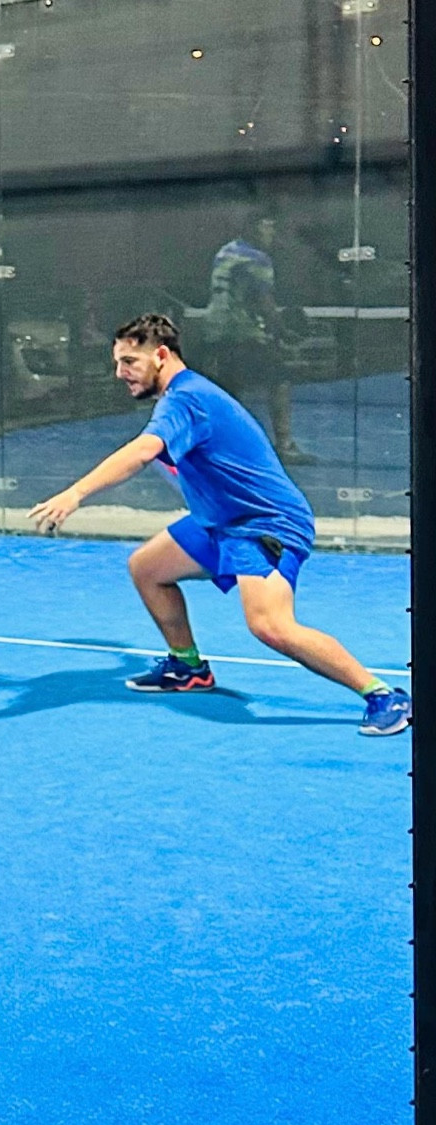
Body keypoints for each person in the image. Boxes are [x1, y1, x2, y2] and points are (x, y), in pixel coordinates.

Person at [27, 313, 411, 737]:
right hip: (221, 521)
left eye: (129, 362)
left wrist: (75, 494)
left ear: (161, 355)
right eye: (118, 362)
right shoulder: (184, 398)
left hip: (265, 524)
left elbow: (142, 451)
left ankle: (383, 695)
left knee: (271, 626)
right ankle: (187, 668)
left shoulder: (186, 399)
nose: (120, 373)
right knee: (147, 568)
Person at [199, 215, 314, 467]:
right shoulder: (258, 259)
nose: (270, 233)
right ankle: (284, 446)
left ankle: (224, 450)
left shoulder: (224, 252)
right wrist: (281, 330)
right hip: (241, 333)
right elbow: (264, 302)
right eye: (266, 227)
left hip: (214, 331)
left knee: (231, 390)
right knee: (280, 380)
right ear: (251, 228)